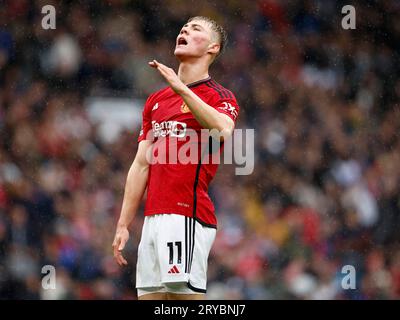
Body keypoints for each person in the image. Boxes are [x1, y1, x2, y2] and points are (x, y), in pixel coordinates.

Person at [112, 16, 240, 300]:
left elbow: (222, 130)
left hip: (186, 214)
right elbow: (141, 164)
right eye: (184, 26)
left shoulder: (220, 96)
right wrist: (123, 223)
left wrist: (181, 88)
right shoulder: (155, 101)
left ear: (213, 48)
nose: (184, 29)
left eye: (196, 29)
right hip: (153, 219)